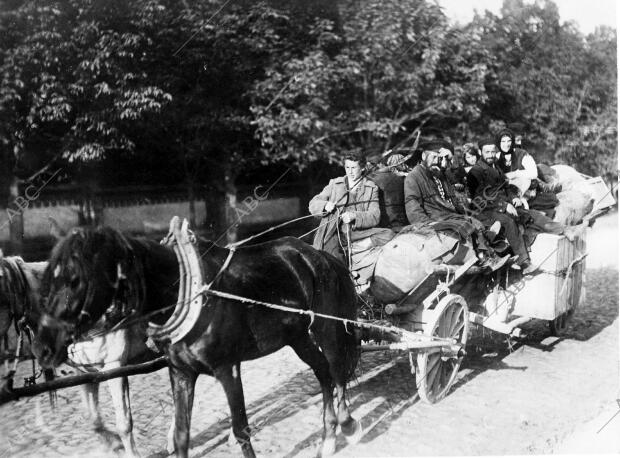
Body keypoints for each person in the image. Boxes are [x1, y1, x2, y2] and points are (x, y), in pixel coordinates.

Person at [404, 141, 507, 270]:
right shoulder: (413, 177)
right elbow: (412, 205)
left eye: (439, 158)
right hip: (433, 219)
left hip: (446, 215)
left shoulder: (438, 174)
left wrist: (464, 212)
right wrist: (425, 225)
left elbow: (452, 198)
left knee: (473, 221)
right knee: (465, 224)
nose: (437, 161)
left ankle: (488, 253)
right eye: (434, 157)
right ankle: (482, 257)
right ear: (424, 156)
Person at [467, 138, 534, 272]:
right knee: (507, 221)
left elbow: (506, 186)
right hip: (483, 210)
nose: (491, 155)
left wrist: (514, 198)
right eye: (487, 152)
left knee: (526, 215)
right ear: (480, 152)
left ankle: (519, 250)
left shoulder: (496, 167)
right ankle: (524, 262)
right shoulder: (476, 172)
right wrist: (503, 206)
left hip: (495, 206)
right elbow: (479, 199)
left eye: (493, 152)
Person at [309, 153, 380, 262]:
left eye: (353, 168)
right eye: (347, 167)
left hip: (359, 233)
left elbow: (375, 216)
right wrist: (325, 205)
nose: (350, 172)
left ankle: (354, 249)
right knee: (334, 256)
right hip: (335, 232)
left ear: (362, 168)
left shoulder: (371, 187)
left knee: (388, 235)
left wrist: (354, 216)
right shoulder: (335, 184)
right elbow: (314, 203)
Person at [367, 153, 409, 231]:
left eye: (369, 165)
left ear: (379, 164)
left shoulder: (373, 180)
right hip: (404, 220)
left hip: (386, 223)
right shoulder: (402, 177)